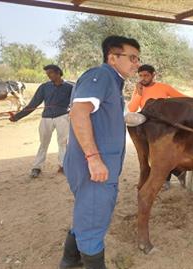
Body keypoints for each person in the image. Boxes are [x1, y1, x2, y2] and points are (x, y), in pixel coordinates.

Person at [58, 35, 140, 269]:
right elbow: (79, 112)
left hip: (99, 165)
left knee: (86, 210)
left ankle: (70, 260)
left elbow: (99, 115)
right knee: (94, 221)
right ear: (112, 58)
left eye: (138, 58)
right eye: (131, 57)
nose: (136, 63)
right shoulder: (102, 75)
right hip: (94, 167)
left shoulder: (114, 82)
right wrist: (93, 159)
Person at [127, 64, 186, 190]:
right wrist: (138, 93)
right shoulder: (138, 89)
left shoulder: (164, 87)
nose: (143, 78)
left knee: (164, 152)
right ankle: (177, 173)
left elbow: (183, 98)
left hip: (164, 124)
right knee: (149, 153)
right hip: (147, 124)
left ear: (153, 75)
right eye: (141, 75)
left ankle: (167, 180)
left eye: (146, 75)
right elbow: (132, 109)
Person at [9, 64, 73, 178]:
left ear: (58, 72)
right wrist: (17, 116)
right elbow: (33, 104)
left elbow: (75, 103)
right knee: (44, 143)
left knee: (63, 143)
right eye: (47, 74)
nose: (48, 76)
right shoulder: (44, 87)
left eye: (51, 73)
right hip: (46, 118)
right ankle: (37, 167)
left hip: (63, 117)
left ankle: (64, 166)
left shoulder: (70, 87)